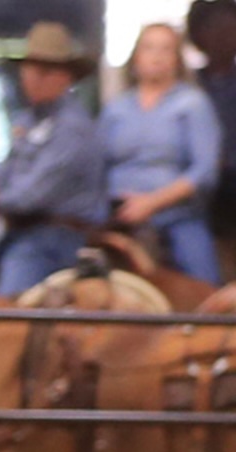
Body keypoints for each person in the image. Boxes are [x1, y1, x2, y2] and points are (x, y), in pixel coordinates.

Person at [102, 22, 223, 285]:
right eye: (149, 48)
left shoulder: (193, 104)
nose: (156, 56)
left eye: (166, 49)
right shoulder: (116, 109)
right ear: (136, 56)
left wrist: (151, 203)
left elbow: (204, 171)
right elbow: (96, 164)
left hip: (176, 218)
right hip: (118, 218)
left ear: (177, 59)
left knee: (203, 288)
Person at [0, 24, 106, 298]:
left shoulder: (72, 128)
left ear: (66, 77)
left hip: (55, 236)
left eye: (44, 71)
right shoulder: (26, 120)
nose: (33, 78)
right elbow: (5, 174)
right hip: (22, 231)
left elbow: (32, 196)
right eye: (29, 69)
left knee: (8, 310)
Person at [191, 0, 236, 268]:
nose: (223, 35)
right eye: (214, 27)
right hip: (198, 191)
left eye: (230, 27)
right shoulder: (188, 86)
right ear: (198, 34)